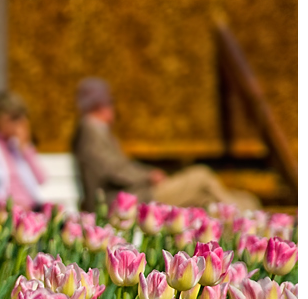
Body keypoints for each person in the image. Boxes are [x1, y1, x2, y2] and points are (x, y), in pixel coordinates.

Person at [71, 77, 261, 213]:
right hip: (126, 200)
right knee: (200, 175)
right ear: (99, 105)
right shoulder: (89, 130)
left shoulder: (95, 130)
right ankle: (241, 215)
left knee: (206, 201)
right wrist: (148, 175)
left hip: (133, 195)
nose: (113, 108)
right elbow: (111, 169)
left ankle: (239, 218)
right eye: (110, 102)